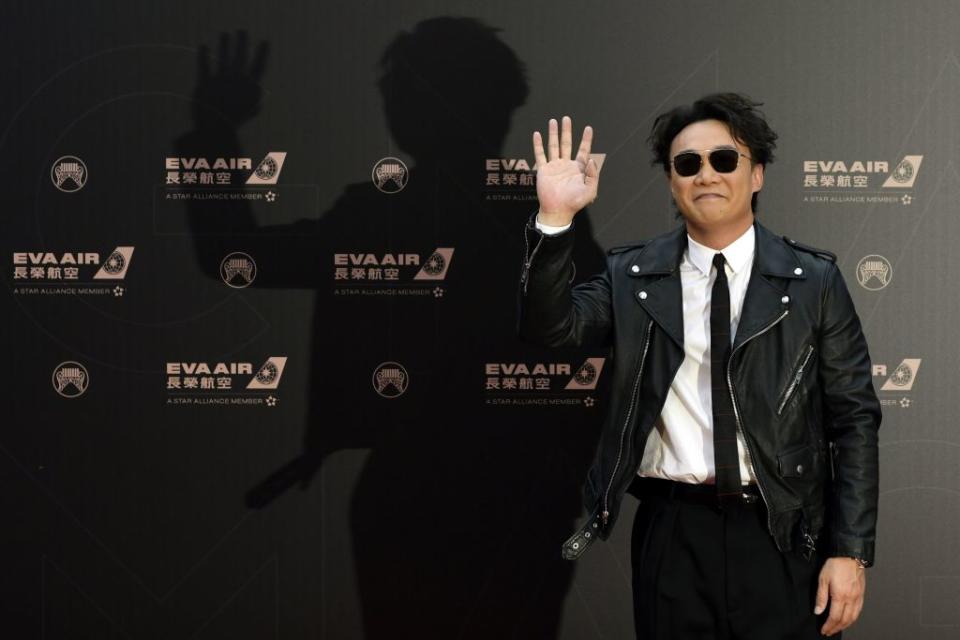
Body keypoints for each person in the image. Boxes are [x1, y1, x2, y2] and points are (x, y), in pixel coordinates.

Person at [518, 93, 880, 638]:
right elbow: (550, 331)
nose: (705, 174)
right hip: (672, 531)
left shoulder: (814, 283)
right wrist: (555, 219)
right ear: (671, 181)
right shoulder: (631, 277)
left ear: (756, 174)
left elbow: (853, 421)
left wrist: (850, 551)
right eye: (687, 164)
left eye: (724, 160)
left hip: (782, 531)